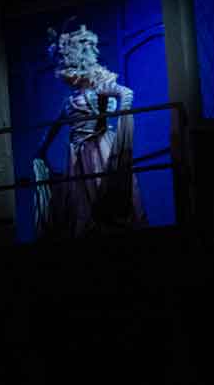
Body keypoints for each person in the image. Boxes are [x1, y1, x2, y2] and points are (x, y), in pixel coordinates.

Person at [34, 23, 145, 237]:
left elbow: (126, 93)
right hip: (77, 155)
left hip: (98, 149)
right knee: (80, 198)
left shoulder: (97, 90)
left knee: (100, 188)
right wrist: (40, 152)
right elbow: (53, 128)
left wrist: (123, 121)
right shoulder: (70, 100)